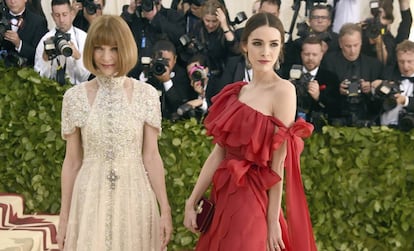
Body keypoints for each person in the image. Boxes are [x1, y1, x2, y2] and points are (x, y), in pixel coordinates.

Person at [184, 12, 317, 251]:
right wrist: (191, 201)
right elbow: (218, 154)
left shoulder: (284, 91)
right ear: (245, 46)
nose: (265, 52)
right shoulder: (237, 92)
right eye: (258, 43)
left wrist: (273, 220)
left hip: (253, 200)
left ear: (281, 48)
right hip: (223, 194)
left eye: (273, 44)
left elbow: (278, 164)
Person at [56, 15, 173, 250]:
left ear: (126, 49)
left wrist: (165, 209)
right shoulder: (74, 98)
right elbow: (72, 161)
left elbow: (151, 156)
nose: (106, 57)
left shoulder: (147, 95)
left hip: (135, 198)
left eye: (114, 49)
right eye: (99, 48)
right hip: (89, 199)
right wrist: (64, 216)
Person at [322, 23, 383, 127]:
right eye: (348, 46)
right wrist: (338, 90)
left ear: (361, 43)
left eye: (356, 45)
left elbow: (380, 102)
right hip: (337, 118)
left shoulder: (374, 64)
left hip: (367, 119)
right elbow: (323, 94)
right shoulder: (328, 62)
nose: (353, 50)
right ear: (340, 44)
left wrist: (371, 90)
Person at [291, 36, 341, 131]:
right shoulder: (290, 73)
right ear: (301, 54)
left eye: (314, 55)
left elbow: (336, 108)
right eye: (307, 54)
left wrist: (319, 97)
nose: (310, 58)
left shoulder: (330, 77)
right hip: (292, 128)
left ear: (321, 55)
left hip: (318, 129)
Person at [34, 0, 90, 85]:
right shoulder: (45, 40)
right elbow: (38, 77)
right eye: (57, 15)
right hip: (52, 93)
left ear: (71, 13)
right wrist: (45, 60)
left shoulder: (84, 38)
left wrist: (78, 58)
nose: (61, 20)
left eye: (64, 14)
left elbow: (86, 77)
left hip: (78, 92)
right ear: (52, 16)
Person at [375, 40, 414, 129]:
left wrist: (405, 100)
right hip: (385, 128)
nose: (405, 66)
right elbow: (375, 104)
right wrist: (376, 89)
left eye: (410, 61)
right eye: (401, 61)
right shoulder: (388, 73)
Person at [0, 0, 48, 67]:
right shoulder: (1, 16)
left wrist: (19, 44)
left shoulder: (38, 22)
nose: (12, 1)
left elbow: (40, 55)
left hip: (27, 72)